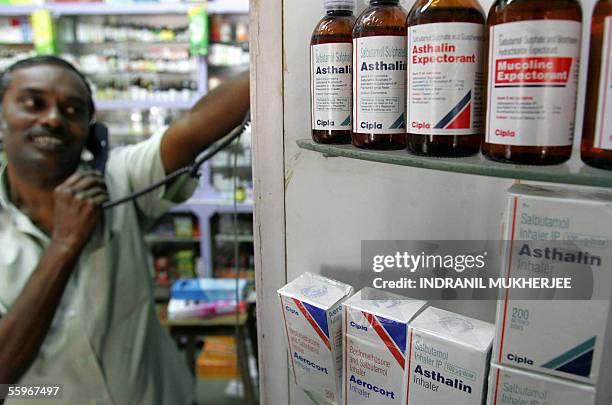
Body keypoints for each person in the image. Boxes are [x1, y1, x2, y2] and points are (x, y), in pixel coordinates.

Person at [0, 56, 250, 405]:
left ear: (90, 130)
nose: (53, 118)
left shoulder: (117, 178)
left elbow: (193, 127)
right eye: (33, 103)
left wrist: (287, 50)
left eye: (72, 110)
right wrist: (66, 243)